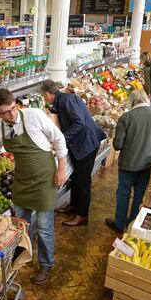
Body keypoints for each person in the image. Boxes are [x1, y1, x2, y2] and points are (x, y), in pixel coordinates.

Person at [0, 89, 68, 285]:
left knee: (44, 227)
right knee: (18, 225)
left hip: (44, 179)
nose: (12, 114)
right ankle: (21, 257)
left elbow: (58, 138)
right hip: (22, 181)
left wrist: (61, 169)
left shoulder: (33, 115)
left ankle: (46, 263)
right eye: (6, 112)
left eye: (13, 109)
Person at [40, 80, 106, 227]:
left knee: (83, 181)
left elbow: (79, 123)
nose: (44, 98)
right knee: (76, 177)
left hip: (86, 144)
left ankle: (82, 215)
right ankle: (74, 205)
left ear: (47, 94)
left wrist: (61, 139)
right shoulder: (63, 100)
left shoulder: (66, 101)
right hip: (81, 144)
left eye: (43, 96)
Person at [105, 89, 151, 234]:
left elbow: (117, 145)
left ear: (132, 102)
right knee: (139, 194)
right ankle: (133, 223)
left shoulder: (126, 117)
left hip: (128, 163)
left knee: (123, 193)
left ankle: (119, 224)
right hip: (148, 163)